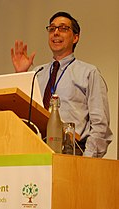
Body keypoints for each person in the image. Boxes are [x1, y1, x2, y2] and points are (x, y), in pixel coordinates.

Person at [11, 11, 113, 157]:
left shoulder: (89, 73)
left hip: (72, 152)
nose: (56, 33)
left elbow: (100, 124)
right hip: (36, 150)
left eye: (63, 28)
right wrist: (21, 75)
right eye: (52, 29)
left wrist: (88, 159)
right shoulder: (37, 73)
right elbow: (23, 114)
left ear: (75, 37)